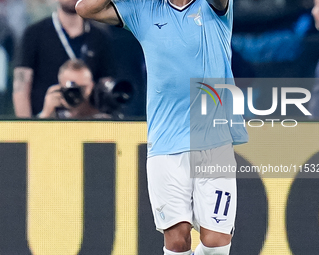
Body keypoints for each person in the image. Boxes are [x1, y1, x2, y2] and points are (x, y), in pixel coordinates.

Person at [76, 0, 248, 254]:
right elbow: (85, 8)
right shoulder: (144, 10)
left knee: (217, 243)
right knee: (177, 240)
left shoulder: (214, 8)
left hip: (214, 140)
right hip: (166, 142)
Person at [13, 0, 113, 118]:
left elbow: (107, 86)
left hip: (88, 123)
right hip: (47, 122)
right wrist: (28, 130)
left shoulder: (100, 37)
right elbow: (21, 89)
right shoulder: (34, 34)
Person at [38, 59, 110, 119]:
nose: (77, 93)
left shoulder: (102, 120)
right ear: (60, 88)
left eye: (83, 87)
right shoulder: (53, 117)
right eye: (72, 88)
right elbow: (34, 135)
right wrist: (46, 114)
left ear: (91, 86)